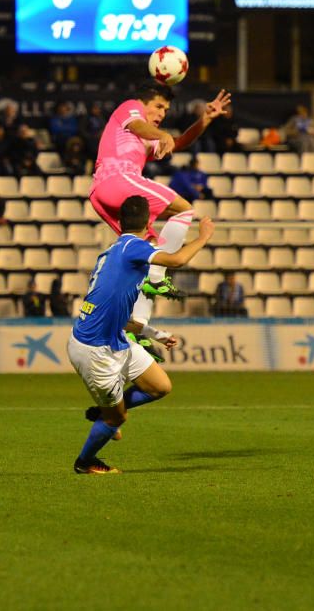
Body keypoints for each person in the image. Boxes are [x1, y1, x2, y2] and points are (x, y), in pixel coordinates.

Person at [67, 195, 215, 474]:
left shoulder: (111, 254)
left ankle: (104, 412)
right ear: (148, 222)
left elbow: (117, 314)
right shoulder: (132, 248)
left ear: (120, 221)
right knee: (117, 419)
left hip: (113, 338)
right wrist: (203, 236)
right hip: (95, 350)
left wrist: (154, 333)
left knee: (160, 387)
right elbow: (178, 259)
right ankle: (85, 462)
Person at [89, 79, 230, 325]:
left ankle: (137, 323)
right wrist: (162, 134)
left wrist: (205, 119)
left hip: (101, 195)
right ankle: (157, 276)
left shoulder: (150, 136)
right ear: (144, 104)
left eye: (166, 110)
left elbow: (178, 142)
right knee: (184, 209)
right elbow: (139, 126)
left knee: (147, 247)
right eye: (159, 106)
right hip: (117, 179)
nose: (162, 113)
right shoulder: (130, 108)